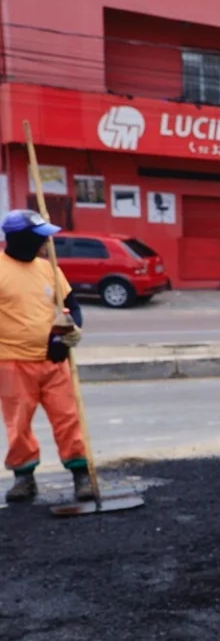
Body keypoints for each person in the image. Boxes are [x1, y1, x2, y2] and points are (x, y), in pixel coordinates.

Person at [0, 210, 90, 503]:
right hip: (12, 362)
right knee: (19, 423)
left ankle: (82, 476)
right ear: (19, 239)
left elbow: (72, 306)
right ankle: (24, 478)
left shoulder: (49, 268)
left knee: (68, 418)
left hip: (53, 359)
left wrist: (69, 331)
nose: (46, 242)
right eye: (40, 237)